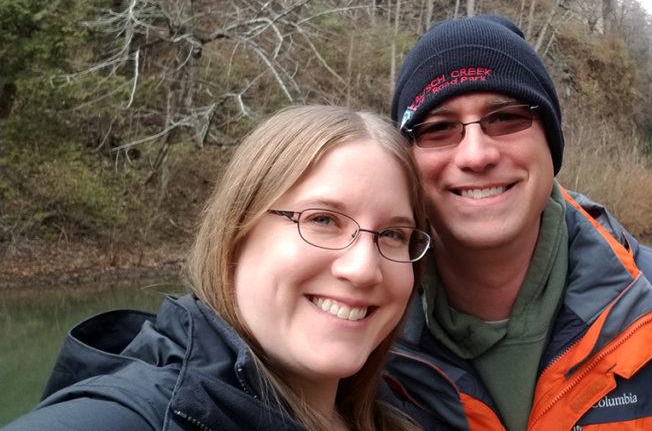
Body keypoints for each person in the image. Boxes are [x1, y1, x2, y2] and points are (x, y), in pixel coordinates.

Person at [382, 15, 652, 430]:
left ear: (550, 144)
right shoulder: (361, 337)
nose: (476, 155)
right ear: (406, 162)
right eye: (438, 128)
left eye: (507, 118)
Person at [3, 106, 431, 431]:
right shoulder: (139, 414)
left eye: (393, 234)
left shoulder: (402, 414)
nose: (363, 268)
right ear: (236, 236)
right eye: (321, 220)